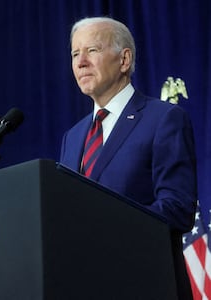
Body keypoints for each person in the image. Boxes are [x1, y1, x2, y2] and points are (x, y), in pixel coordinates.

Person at [59, 16, 197, 299]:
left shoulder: (164, 119)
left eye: (92, 50)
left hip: (145, 284)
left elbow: (178, 208)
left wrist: (106, 225)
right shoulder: (72, 137)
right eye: (75, 54)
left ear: (124, 60)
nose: (80, 62)